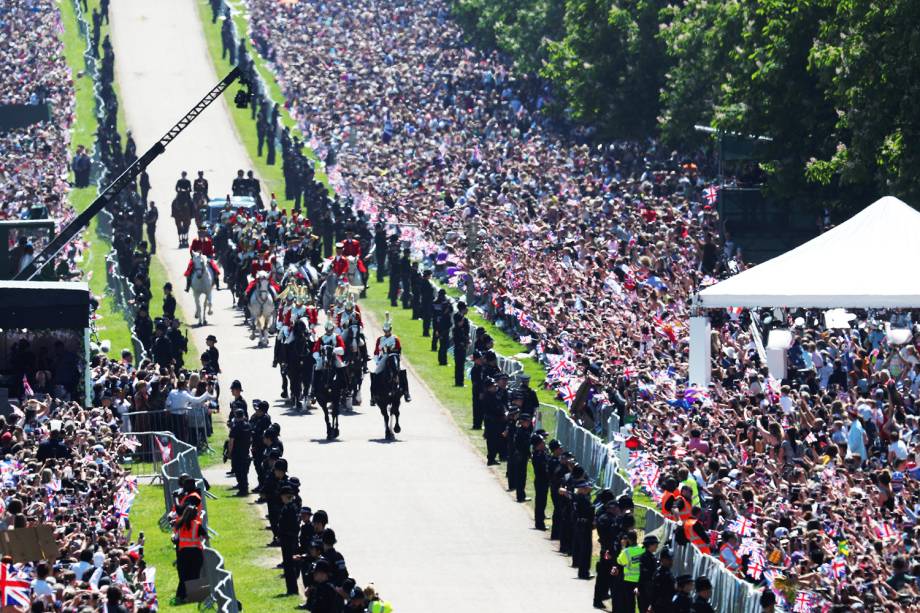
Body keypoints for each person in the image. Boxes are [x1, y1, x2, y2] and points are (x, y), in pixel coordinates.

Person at [174, 504, 204, 603]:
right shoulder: (197, 524)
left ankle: (181, 596)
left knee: (184, 576)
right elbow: (204, 536)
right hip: (196, 553)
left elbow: (176, 538)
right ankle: (194, 597)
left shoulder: (179, 523)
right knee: (194, 575)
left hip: (183, 554)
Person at [278, 485, 302, 595]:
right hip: (287, 539)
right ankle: (291, 589)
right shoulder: (290, 507)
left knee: (289, 566)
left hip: (289, 540)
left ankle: (292, 589)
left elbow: (292, 526)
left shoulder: (290, 509)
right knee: (288, 566)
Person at [228, 409, 253, 495]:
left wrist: (229, 453)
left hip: (237, 453)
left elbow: (231, 441)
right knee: (244, 472)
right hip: (245, 452)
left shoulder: (235, 427)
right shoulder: (248, 425)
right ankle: (244, 488)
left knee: (238, 471)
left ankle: (243, 490)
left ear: (235, 416)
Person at [531, 433, 549, 530]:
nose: (544, 442)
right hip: (540, 480)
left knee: (543, 501)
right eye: (542, 441)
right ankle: (539, 523)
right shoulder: (538, 455)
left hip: (544, 481)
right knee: (540, 502)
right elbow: (543, 469)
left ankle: (540, 520)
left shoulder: (542, 453)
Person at [637, 534, 660, 612]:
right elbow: (643, 573)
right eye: (655, 544)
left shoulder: (651, 556)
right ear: (650, 545)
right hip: (645, 589)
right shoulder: (644, 557)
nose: (657, 546)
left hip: (648, 588)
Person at [452, 301, 470, 386]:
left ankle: (460, 381)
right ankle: (458, 382)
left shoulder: (465, 319)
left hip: (463, 342)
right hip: (459, 343)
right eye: (466, 308)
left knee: (461, 364)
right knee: (458, 363)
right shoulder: (457, 316)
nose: (467, 309)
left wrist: (467, 340)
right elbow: (458, 326)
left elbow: (466, 332)